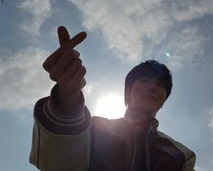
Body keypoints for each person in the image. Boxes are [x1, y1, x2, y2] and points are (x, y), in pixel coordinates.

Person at [29, 26, 196, 171]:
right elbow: (58, 165)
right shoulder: (92, 128)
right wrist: (68, 94)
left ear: (164, 100)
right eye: (144, 80)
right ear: (126, 93)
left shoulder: (181, 155)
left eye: (160, 85)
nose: (152, 87)